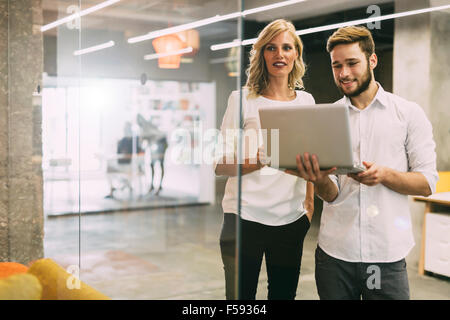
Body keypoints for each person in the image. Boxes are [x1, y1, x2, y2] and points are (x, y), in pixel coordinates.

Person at [288, 26, 438, 300]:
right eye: (337, 65)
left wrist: (385, 175)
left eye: (352, 63)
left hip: (386, 257)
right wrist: (317, 177)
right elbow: (331, 195)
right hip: (334, 256)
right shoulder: (327, 118)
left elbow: (427, 183)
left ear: (372, 60)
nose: (344, 73)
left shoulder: (407, 114)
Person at [215, 19, 315, 300]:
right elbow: (219, 164)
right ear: (262, 54)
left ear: (296, 53)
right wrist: (256, 161)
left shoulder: (306, 102)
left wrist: (308, 208)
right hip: (243, 218)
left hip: (290, 219)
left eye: (286, 47)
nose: (279, 54)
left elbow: (310, 160)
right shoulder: (242, 99)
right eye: (271, 48)